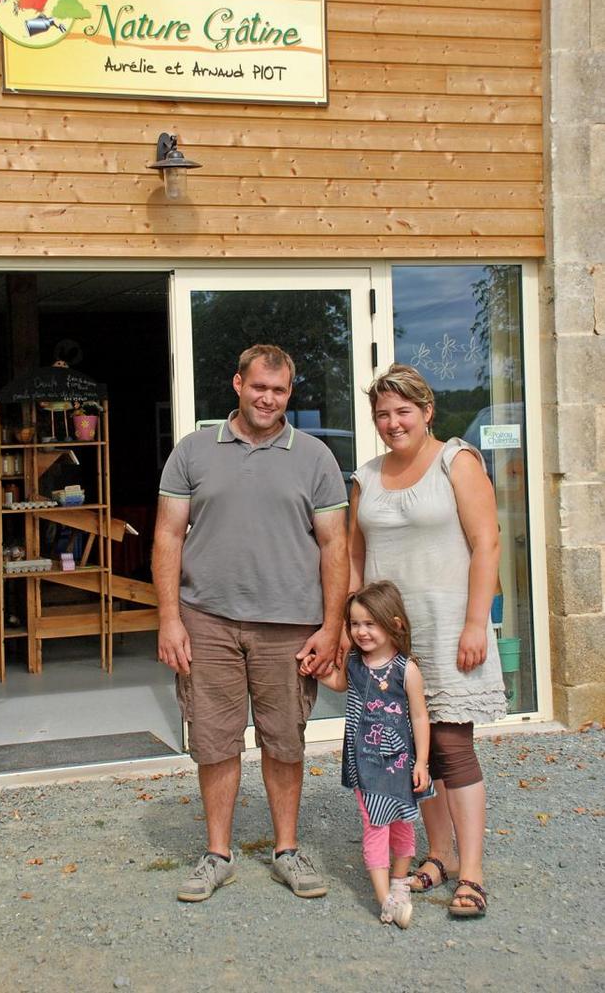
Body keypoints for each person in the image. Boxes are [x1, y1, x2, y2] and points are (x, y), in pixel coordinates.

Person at [152, 344, 349, 903]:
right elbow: (168, 536)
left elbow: (336, 546)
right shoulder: (192, 451)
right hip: (207, 620)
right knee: (214, 741)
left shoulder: (314, 457)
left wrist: (331, 627)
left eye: (279, 390)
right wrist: (170, 619)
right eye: (259, 386)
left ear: (290, 393)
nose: (268, 398)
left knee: (285, 740)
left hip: (290, 625)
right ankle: (218, 853)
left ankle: (286, 849)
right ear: (238, 383)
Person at [348, 364, 506, 919]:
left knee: (452, 747)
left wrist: (475, 621)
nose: (393, 423)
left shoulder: (456, 461)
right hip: (389, 639)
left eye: (402, 412)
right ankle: (436, 855)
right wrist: (353, 630)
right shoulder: (364, 477)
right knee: (416, 753)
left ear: (427, 410)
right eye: (382, 414)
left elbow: (487, 543)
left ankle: (473, 873)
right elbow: (352, 558)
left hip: (448, 627)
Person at [300, 581, 433, 929]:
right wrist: (317, 671)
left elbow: (420, 716)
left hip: (402, 763)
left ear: (395, 624)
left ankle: (399, 883)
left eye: (369, 624)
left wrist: (421, 762)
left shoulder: (407, 670)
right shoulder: (356, 663)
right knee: (375, 825)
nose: (361, 632)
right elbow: (341, 683)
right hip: (365, 762)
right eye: (355, 624)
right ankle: (383, 899)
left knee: (402, 822)